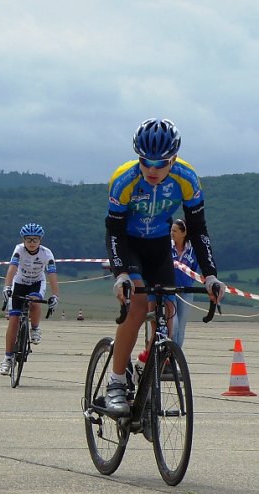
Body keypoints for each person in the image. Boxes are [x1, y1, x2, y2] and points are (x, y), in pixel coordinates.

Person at [104, 118, 223, 416]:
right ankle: (116, 383)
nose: (153, 170)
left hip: (159, 245)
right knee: (139, 303)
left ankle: (146, 366)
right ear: (138, 157)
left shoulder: (187, 178)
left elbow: (197, 229)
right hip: (129, 244)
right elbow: (114, 231)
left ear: (174, 158)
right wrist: (120, 274)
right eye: (146, 162)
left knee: (168, 308)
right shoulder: (124, 179)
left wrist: (210, 276)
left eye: (161, 163)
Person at [0, 223, 59, 376]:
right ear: (23, 240)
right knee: (13, 320)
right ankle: (8, 358)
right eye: (29, 240)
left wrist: (55, 295)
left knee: (34, 300)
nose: (32, 243)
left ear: (40, 240)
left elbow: (52, 275)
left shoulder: (47, 254)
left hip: (37, 283)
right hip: (19, 282)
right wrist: (7, 287)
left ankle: (35, 328)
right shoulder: (19, 250)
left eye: (35, 240)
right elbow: (12, 269)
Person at [171, 218, 200, 348]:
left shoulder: (192, 250)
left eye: (175, 231)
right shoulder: (167, 248)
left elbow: (195, 269)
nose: (172, 233)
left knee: (181, 328)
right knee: (174, 325)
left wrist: (188, 282)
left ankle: (177, 358)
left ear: (184, 233)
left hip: (186, 292)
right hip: (169, 291)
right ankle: (168, 355)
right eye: (171, 230)